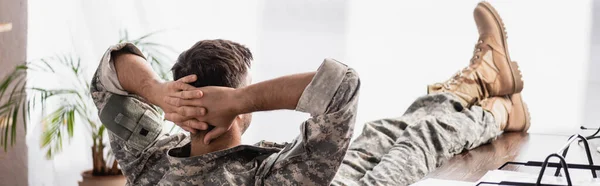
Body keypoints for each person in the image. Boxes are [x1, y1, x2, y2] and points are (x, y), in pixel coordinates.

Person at [90, 2, 529, 185]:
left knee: (382, 130)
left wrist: (157, 93)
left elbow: (105, 78)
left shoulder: (148, 164)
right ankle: (498, 110)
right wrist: (240, 101)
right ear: (233, 110)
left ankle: (481, 80)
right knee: (419, 141)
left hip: (318, 169)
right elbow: (343, 85)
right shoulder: (263, 180)